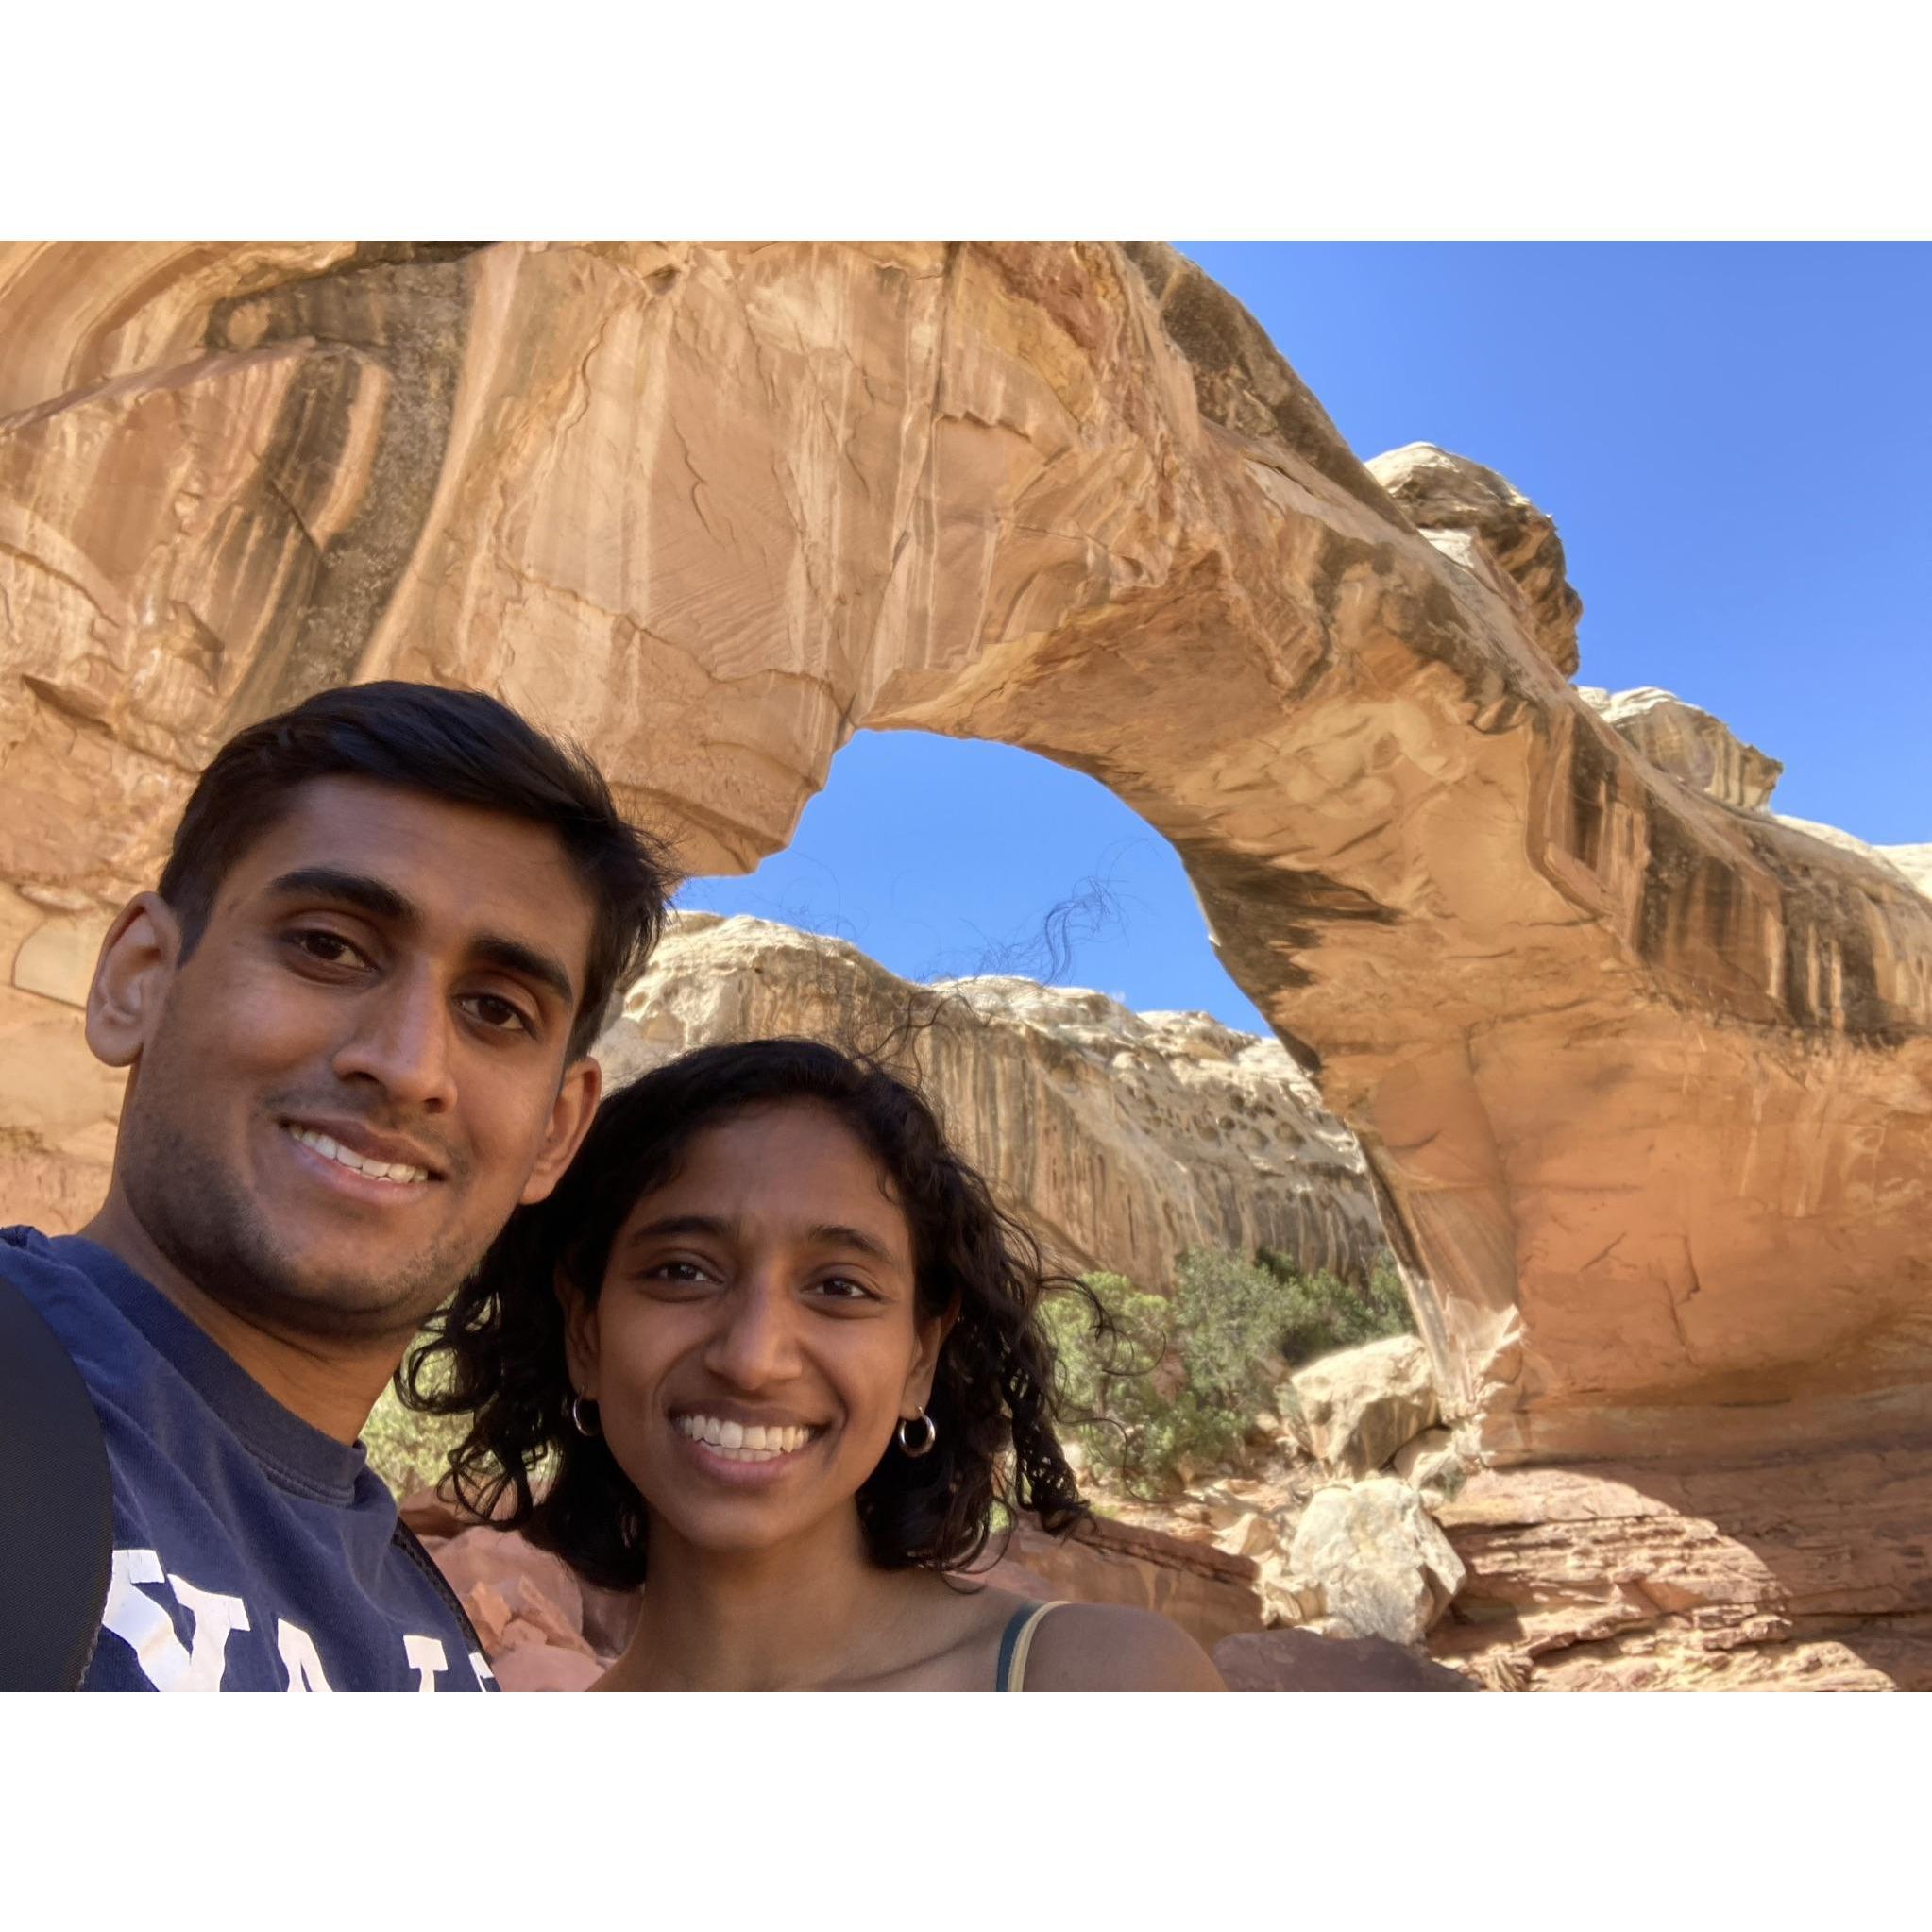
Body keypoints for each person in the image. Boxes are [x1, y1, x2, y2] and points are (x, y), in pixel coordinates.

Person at [0, 682, 671, 1689]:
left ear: (556, 1132)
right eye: (327, 947)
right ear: (138, 978)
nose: (407, 1064)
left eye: (495, 1009)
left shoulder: (438, 1646)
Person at [406, 1038, 1227, 1691]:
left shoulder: (1098, 1686)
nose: (754, 1358)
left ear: (919, 1358)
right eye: (683, 1271)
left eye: (840, 1286)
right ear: (585, 1334)